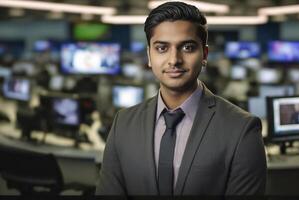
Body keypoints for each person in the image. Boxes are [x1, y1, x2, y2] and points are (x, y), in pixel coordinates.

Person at [95, 1, 266, 196]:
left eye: (187, 47)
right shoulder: (123, 123)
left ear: (204, 54)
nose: (174, 60)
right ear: (149, 56)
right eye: (161, 48)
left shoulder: (242, 129)